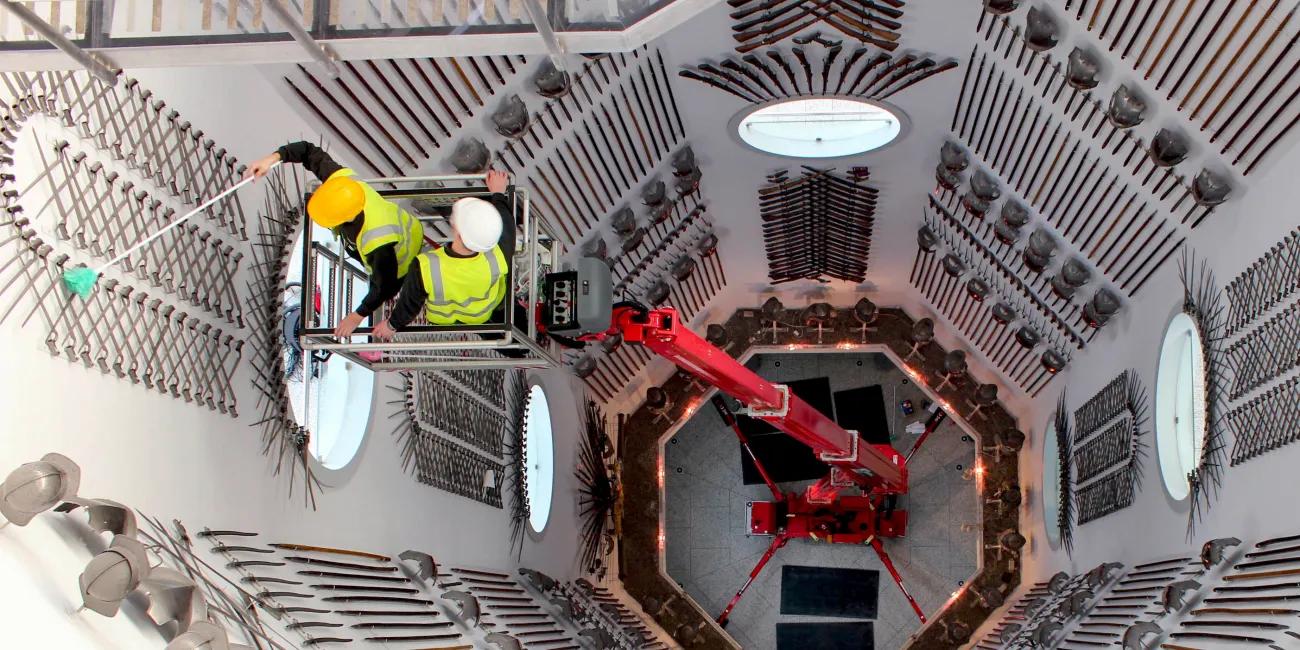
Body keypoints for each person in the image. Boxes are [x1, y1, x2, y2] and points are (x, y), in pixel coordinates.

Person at [245, 141, 425, 338]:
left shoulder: (376, 239)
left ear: (347, 218)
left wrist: (357, 316)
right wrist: (271, 160)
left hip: (403, 257)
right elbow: (308, 151)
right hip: (391, 239)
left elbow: (386, 286)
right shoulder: (341, 183)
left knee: (386, 284)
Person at [373, 169, 514, 339]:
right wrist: (498, 192)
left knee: (492, 336)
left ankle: (515, 349)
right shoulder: (500, 250)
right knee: (512, 325)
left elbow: (410, 304)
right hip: (489, 309)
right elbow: (505, 219)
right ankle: (518, 349)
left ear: (458, 233)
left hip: (448, 319)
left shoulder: (425, 266)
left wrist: (391, 325)